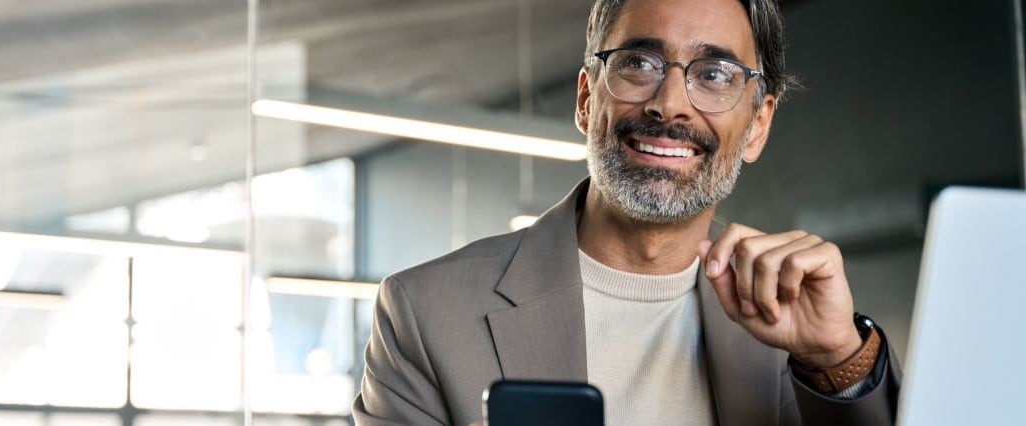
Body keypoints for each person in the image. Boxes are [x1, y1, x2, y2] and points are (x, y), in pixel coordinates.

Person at [352, 0, 900, 424]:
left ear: (758, 125)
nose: (671, 103)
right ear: (588, 99)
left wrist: (836, 360)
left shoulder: (803, 321)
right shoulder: (426, 314)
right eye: (639, 63)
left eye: (713, 74)